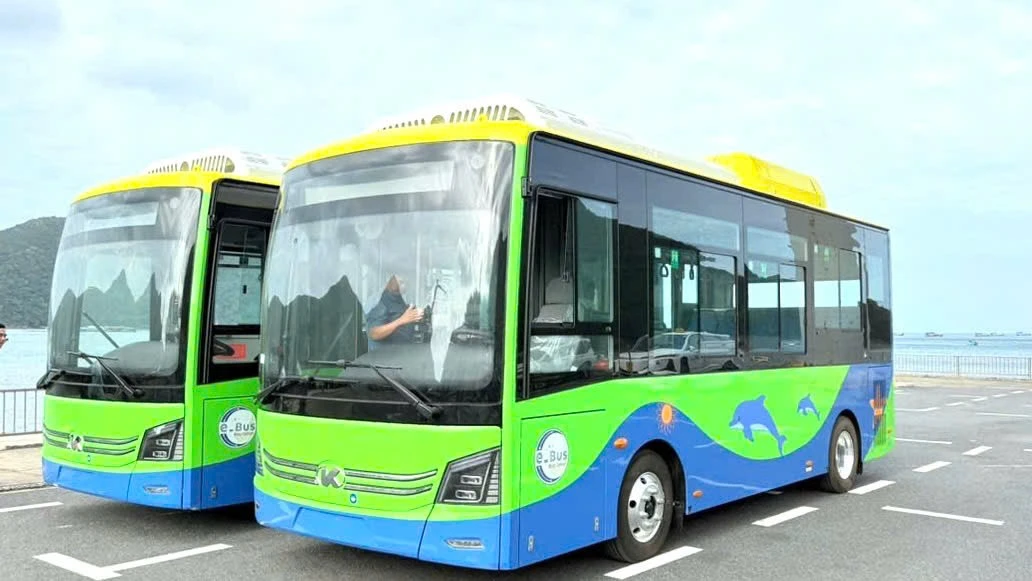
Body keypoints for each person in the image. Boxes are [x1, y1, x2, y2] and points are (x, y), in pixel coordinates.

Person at [365, 275, 423, 350]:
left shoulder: (399, 298)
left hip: (402, 355)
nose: (405, 285)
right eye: (402, 282)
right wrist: (401, 320)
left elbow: (403, 319)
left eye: (407, 282)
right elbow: (374, 333)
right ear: (391, 280)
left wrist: (414, 316)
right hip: (384, 359)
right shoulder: (379, 301)